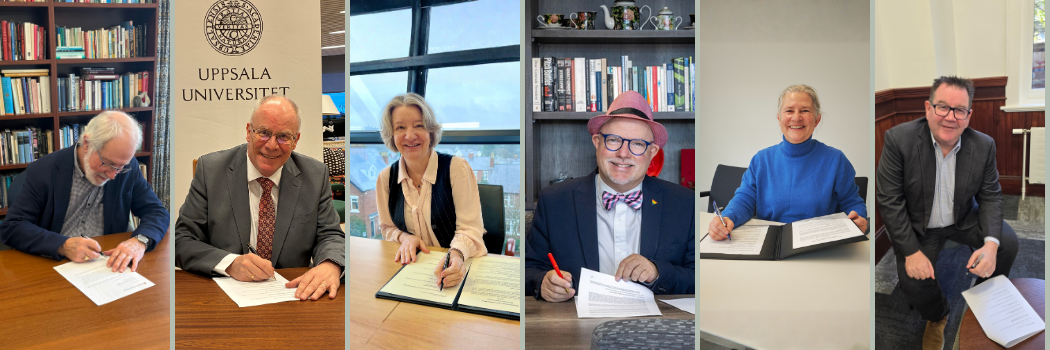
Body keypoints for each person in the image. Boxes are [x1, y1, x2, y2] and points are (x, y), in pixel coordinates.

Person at [876, 76, 1017, 350]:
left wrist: (990, 245)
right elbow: (889, 200)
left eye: (959, 110)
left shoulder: (983, 145)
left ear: (969, 115)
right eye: (942, 107)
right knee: (914, 283)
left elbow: (990, 195)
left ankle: (982, 296)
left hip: (963, 217)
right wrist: (911, 252)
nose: (950, 117)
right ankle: (938, 315)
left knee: (1006, 244)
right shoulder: (899, 140)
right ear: (928, 108)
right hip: (920, 226)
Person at [525, 91, 695, 302]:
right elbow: (528, 269)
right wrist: (542, 282)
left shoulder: (685, 203)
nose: (624, 154)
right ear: (597, 142)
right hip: (574, 327)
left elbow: (699, 278)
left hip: (656, 327)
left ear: (652, 153)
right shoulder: (554, 201)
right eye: (614, 140)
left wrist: (657, 272)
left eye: (638, 144)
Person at [174, 95, 345, 301]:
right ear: (248, 131)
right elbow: (182, 240)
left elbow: (331, 235)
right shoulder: (210, 170)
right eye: (263, 133)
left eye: (283, 136)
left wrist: (331, 264)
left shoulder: (315, 175)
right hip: (221, 298)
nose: (272, 145)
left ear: (296, 140)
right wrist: (229, 263)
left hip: (293, 296)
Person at [0, 111, 169, 272]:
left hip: (107, 263)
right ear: (87, 144)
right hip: (55, 265)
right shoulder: (43, 170)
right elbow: (13, 227)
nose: (112, 175)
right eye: (108, 164)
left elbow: (157, 212)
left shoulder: (128, 167)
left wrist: (140, 241)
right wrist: (62, 245)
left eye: (120, 167)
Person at [707, 84, 867, 240]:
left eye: (805, 110)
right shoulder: (761, 160)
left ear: (817, 119)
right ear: (779, 118)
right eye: (789, 111)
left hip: (819, 247)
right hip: (770, 245)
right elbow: (744, 200)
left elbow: (852, 203)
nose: (796, 117)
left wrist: (858, 218)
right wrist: (727, 218)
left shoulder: (836, 160)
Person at [375, 93, 486, 290]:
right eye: (400, 127)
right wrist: (404, 237)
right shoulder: (385, 178)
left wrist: (458, 254)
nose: (410, 136)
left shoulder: (456, 169)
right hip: (412, 273)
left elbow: (470, 229)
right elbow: (387, 228)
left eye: (419, 125)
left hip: (459, 270)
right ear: (391, 135)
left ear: (431, 131)